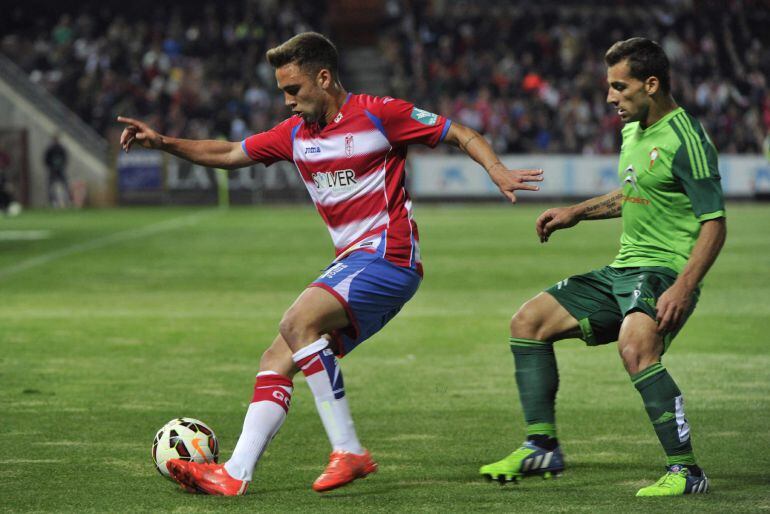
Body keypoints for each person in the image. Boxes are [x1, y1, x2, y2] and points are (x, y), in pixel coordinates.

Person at [118, 32, 543, 496]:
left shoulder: (379, 114)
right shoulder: (295, 134)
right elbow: (228, 153)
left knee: (297, 321)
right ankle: (235, 474)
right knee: (277, 357)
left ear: (324, 77)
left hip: (387, 255)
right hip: (357, 265)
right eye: (283, 91)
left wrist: (496, 168)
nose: (287, 102)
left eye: (294, 90)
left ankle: (349, 450)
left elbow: (458, 132)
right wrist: (162, 141)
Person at [479, 37, 726, 497]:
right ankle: (542, 446)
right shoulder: (633, 129)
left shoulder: (686, 139)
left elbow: (715, 223)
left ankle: (686, 471)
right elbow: (637, 194)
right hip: (624, 270)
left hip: (665, 272)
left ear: (651, 84)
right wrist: (578, 212)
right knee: (527, 322)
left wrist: (684, 287)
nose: (610, 98)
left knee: (636, 348)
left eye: (619, 86)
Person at [44, 134, 71, 207]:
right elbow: (46, 159)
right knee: (51, 187)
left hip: (60, 169)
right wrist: (51, 167)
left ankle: (66, 201)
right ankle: (52, 202)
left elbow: (65, 158)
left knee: (65, 185)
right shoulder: (50, 149)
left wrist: (61, 166)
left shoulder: (61, 148)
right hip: (52, 170)